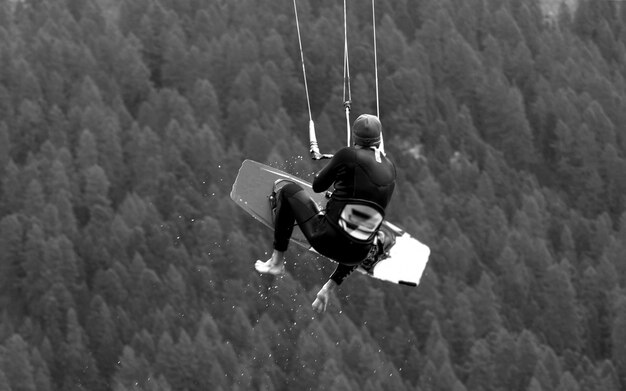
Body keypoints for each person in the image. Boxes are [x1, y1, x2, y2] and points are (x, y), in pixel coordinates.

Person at [255, 114, 396, 313]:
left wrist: (335, 169)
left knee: (288, 191)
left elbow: (318, 186)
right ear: (379, 139)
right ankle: (329, 288)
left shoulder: (347, 155)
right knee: (362, 229)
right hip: (357, 256)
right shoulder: (391, 169)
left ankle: (276, 262)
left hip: (326, 240)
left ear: (355, 139)